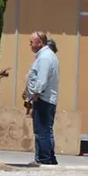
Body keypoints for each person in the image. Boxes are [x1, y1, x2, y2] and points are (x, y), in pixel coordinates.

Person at [25, 31, 60, 166]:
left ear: (40, 43)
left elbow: (42, 80)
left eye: (31, 42)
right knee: (45, 130)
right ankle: (48, 158)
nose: (30, 45)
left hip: (43, 99)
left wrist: (35, 94)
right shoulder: (47, 56)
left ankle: (44, 159)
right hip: (46, 99)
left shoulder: (45, 58)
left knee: (42, 131)